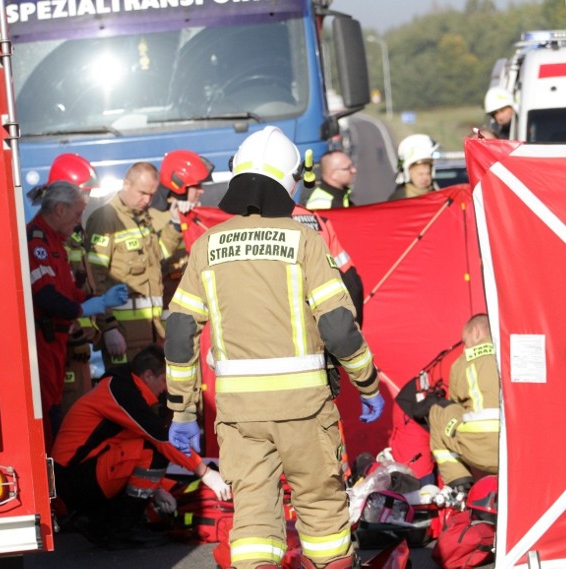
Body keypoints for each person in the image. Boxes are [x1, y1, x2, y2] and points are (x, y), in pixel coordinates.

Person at [165, 126, 384, 569]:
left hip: (239, 414)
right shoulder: (305, 239)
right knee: (322, 515)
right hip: (304, 408)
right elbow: (340, 328)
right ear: (289, 182)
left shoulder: (207, 245)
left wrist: (183, 412)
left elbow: (179, 331)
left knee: (252, 527)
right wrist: (368, 385)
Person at [52, 345, 231, 550]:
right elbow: (161, 438)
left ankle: (106, 522)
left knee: (145, 446)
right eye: (164, 380)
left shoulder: (120, 387)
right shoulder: (121, 392)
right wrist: (205, 472)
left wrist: (158, 490)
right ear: (147, 375)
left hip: (79, 475)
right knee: (152, 448)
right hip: (77, 478)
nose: (165, 388)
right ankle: (124, 528)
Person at [26, 180, 128, 450]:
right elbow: (45, 295)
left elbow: (69, 290)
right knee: (49, 414)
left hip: (56, 344)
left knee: (56, 409)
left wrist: (100, 300)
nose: (79, 219)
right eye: (77, 213)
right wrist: (84, 309)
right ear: (60, 210)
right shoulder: (37, 242)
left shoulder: (55, 243)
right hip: (44, 342)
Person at [85, 162, 182, 368]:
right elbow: (95, 279)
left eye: (152, 195)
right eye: (142, 193)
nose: (147, 200)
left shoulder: (142, 218)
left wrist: (174, 225)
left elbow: (159, 256)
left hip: (153, 332)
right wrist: (109, 328)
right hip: (123, 335)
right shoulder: (105, 219)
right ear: (126, 184)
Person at [396, 314, 499, 496]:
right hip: (514, 448)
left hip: (479, 447)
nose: (465, 347)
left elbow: (456, 403)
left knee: (439, 410)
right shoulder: (511, 356)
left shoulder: (463, 363)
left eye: (465, 342)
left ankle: (458, 484)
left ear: (476, 333)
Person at [42, 154, 102, 414]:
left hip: (81, 344)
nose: (87, 201)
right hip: (66, 346)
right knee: (69, 416)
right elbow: (56, 294)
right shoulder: (51, 238)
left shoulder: (73, 231)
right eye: (83, 194)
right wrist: (75, 333)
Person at [149, 149, 214, 313]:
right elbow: (153, 261)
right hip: (167, 308)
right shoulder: (152, 219)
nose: (202, 191)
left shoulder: (197, 215)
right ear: (179, 186)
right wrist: (176, 224)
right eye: (196, 186)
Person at [388, 133, 439, 201]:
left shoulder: (438, 197)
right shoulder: (398, 200)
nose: (425, 178)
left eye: (428, 173)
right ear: (409, 174)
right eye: (420, 174)